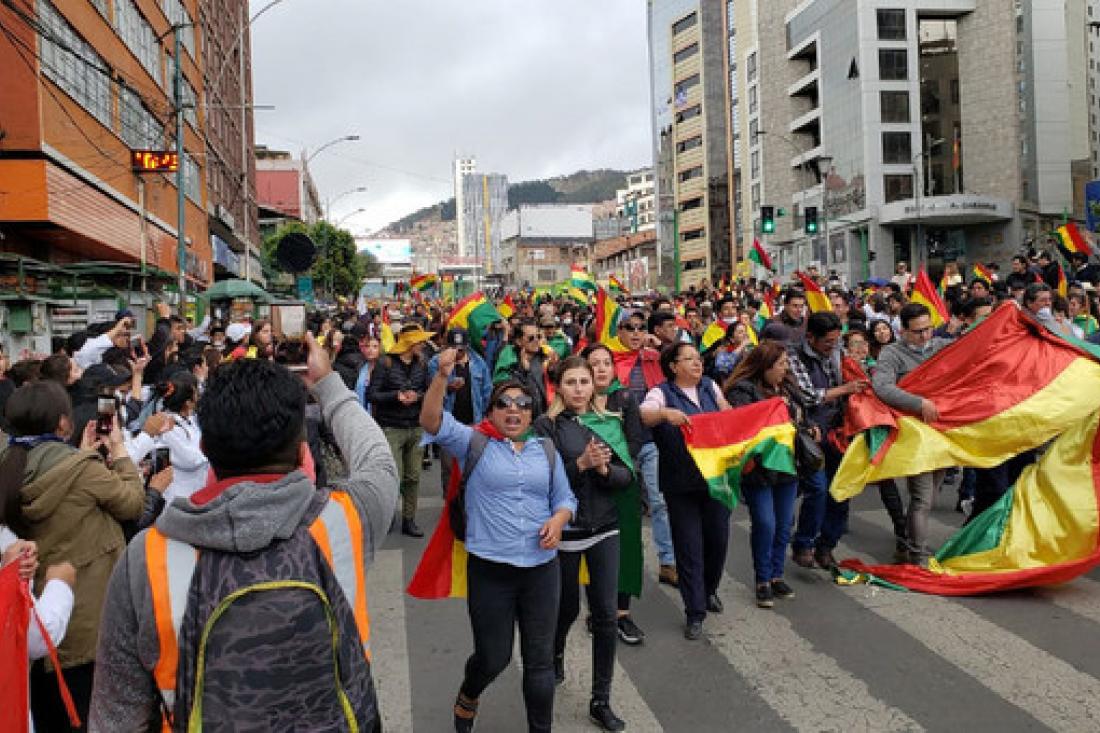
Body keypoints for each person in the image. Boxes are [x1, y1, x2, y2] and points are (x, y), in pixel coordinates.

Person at [88, 335, 397, 732]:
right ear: (301, 447)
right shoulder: (346, 519)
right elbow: (377, 459)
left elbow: (115, 716)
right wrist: (327, 383)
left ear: (204, 445)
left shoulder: (145, 558)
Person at [421, 350, 575, 733]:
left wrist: (558, 519)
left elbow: (565, 498)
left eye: (523, 404)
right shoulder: (473, 443)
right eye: (504, 403)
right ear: (490, 411)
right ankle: (469, 694)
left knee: (540, 661)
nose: (513, 410)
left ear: (532, 413)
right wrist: (441, 377)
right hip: (490, 571)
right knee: (493, 657)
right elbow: (431, 420)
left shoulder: (546, 450)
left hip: (542, 570)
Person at [0, 380, 144, 730]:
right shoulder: (82, 469)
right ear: (64, 423)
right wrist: (118, 450)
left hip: (24, 621)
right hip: (82, 622)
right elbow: (132, 503)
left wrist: (82, 457)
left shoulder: (8, 466)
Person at [534, 356, 632, 731]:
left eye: (584, 382)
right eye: (571, 382)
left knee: (606, 614)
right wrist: (581, 465)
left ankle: (600, 699)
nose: (578, 389)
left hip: (605, 527)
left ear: (594, 385)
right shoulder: (546, 425)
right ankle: (556, 654)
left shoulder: (609, 422)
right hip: (567, 532)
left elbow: (627, 477)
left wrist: (606, 470)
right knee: (566, 608)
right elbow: (542, 480)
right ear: (559, 387)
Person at [640, 342, 733, 640]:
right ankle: (695, 611)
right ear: (673, 366)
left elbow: (728, 413)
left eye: (698, 358)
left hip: (715, 480)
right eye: (689, 359)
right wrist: (665, 414)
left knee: (718, 541)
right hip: (680, 484)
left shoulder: (709, 386)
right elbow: (645, 414)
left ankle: (709, 590)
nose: (697, 363)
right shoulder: (661, 393)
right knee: (689, 547)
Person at [872, 303, 952, 566]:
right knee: (922, 498)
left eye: (929, 329)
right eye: (918, 332)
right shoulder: (891, 354)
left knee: (932, 495)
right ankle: (917, 555)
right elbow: (882, 387)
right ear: (903, 331)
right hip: (914, 435)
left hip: (943, 432)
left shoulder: (942, 346)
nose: (925, 336)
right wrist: (919, 403)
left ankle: (905, 542)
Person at [723, 342, 801, 608]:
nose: (785, 369)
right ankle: (762, 580)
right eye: (780, 364)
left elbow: (803, 415)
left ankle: (777, 575)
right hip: (758, 468)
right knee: (765, 523)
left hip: (787, 464)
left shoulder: (787, 387)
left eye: (786, 363)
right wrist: (775, 409)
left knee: (784, 523)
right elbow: (744, 423)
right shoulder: (741, 390)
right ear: (764, 366)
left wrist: (809, 426)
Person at [787, 312, 866, 571]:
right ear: (811, 337)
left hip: (839, 432)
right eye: (828, 342)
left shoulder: (838, 354)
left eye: (836, 340)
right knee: (818, 489)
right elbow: (807, 395)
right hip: (811, 433)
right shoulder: (794, 357)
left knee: (842, 489)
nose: (833, 346)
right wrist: (845, 389)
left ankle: (827, 545)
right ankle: (803, 543)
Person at [585, 343, 646, 645]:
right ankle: (598, 611)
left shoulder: (625, 399)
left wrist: (613, 464)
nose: (601, 369)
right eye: (594, 363)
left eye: (606, 363)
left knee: (626, 548)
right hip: (587, 486)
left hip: (621, 483)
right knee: (594, 550)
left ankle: (622, 613)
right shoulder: (574, 402)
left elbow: (635, 441)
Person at [613, 310, 678, 588]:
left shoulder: (654, 358)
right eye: (630, 327)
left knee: (660, 501)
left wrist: (662, 347)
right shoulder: (608, 359)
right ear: (619, 331)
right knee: (623, 508)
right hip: (620, 443)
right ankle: (619, 565)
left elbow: (679, 366)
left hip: (651, 441)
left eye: (640, 327)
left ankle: (668, 562)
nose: (636, 333)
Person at [368, 323, 432, 537]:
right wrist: (395, 396)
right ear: (409, 343)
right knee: (393, 476)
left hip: (415, 426)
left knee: (413, 476)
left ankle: (409, 519)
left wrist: (418, 396)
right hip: (391, 427)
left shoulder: (422, 364)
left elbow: (428, 391)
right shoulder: (385, 363)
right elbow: (372, 395)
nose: (423, 344)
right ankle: (387, 517)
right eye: (419, 341)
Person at [493, 319, 553, 416]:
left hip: (544, 417)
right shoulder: (509, 363)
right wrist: (524, 371)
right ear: (519, 341)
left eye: (538, 336)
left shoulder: (544, 359)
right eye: (531, 338)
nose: (536, 341)